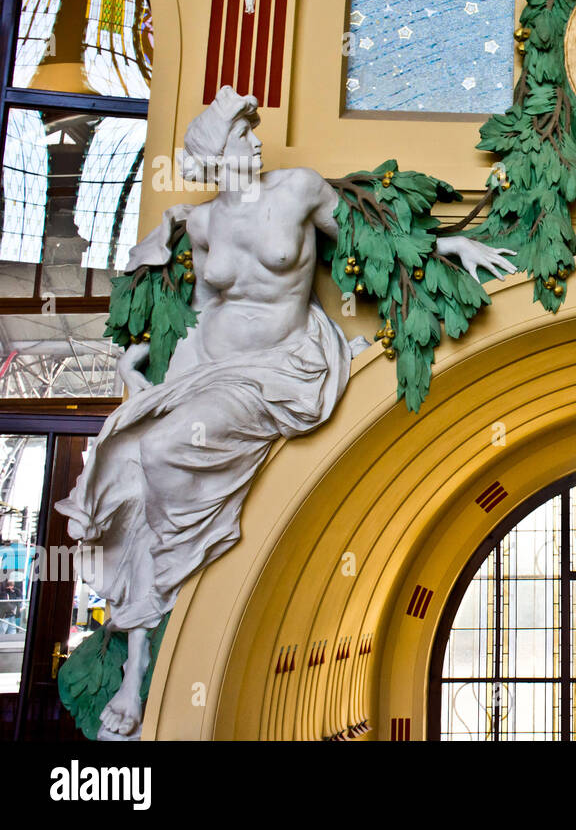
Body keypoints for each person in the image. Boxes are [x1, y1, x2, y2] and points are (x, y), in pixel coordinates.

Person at [56, 87, 515, 738]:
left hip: (276, 372)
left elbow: (376, 241)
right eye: (241, 135)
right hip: (205, 367)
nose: (255, 140)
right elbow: (194, 304)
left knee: (159, 457)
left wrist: (454, 254)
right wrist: (148, 367)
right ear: (216, 159)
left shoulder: (297, 190)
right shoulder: (201, 223)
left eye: (252, 129)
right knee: (124, 465)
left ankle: (141, 658)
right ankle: (135, 665)